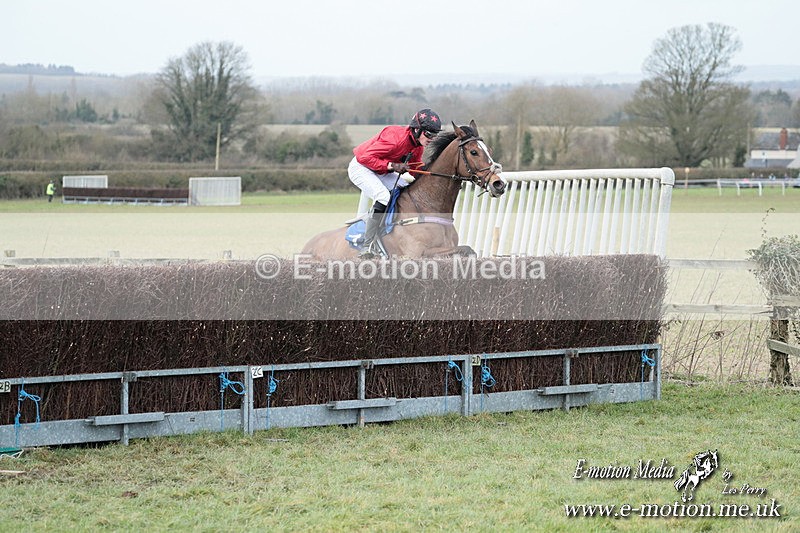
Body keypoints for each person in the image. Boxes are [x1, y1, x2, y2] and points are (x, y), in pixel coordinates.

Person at [349, 108, 442, 256]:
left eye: (434, 136)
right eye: (429, 134)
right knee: (383, 197)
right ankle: (368, 244)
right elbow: (364, 158)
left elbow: (414, 167)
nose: (431, 139)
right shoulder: (395, 139)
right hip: (361, 168)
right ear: (417, 130)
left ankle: (394, 228)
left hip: (381, 171)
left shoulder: (417, 146)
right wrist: (392, 166)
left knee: (406, 189)